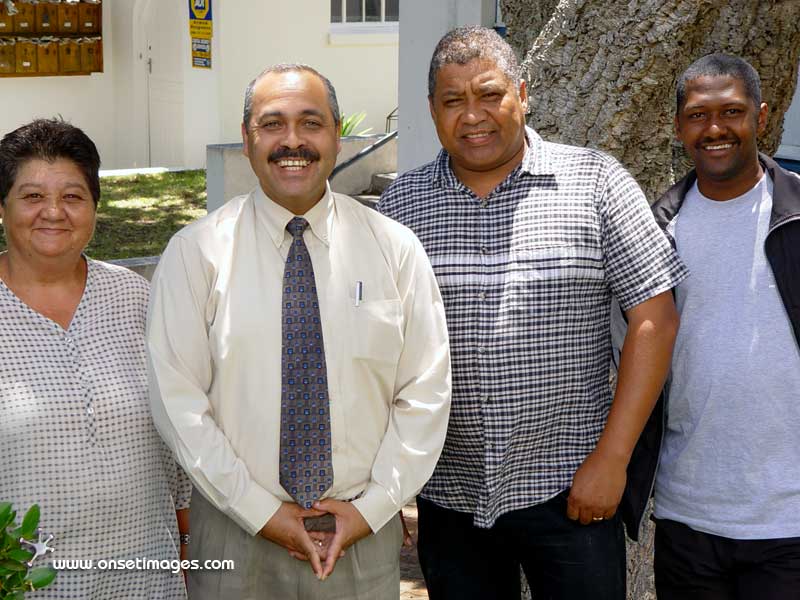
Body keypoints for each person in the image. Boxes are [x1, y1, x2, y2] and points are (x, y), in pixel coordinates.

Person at [378, 26, 689, 600]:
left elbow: (656, 317)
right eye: (453, 101)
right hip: (450, 494)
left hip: (573, 487)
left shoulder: (595, 182)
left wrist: (613, 459)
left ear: (523, 93)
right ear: (431, 110)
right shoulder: (401, 207)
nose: (473, 115)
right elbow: (373, 348)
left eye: (490, 94)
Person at [146, 63, 451, 600]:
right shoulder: (197, 253)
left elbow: (424, 391)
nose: (293, 141)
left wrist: (373, 507)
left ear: (336, 134)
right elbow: (178, 402)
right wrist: (260, 512)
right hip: (234, 535)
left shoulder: (394, 250)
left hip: (359, 538)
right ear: (247, 139)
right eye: (272, 124)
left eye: (311, 123)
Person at [0, 118, 191, 599]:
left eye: (72, 196)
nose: (53, 212)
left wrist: (190, 550)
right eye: (32, 196)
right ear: (2, 207)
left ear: (94, 208)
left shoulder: (135, 297)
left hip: (147, 577)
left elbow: (178, 443)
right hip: (29, 586)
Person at [649, 53, 800, 599]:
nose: (714, 129)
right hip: (688, 513)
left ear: (761, 118)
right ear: (678, 126)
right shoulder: (656, 228)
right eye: (697, 115)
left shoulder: (798, 216)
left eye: (731, 112)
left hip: (790, 521)